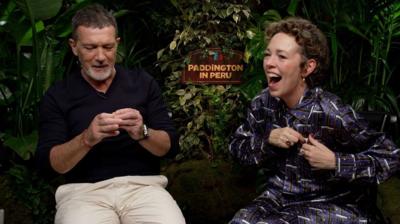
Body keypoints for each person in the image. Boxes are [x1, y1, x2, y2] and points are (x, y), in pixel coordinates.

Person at [229, 17, 400, 223]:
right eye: (268, 55)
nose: (269, 63)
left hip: (332, 203)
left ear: (307, 68)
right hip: (277, 199)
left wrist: (335, 162)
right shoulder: (262, 103)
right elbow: (237, 148)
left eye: (281, 56)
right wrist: (267, 139)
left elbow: (391, 157)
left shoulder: (331, 111)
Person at [35, 4, 185, 224]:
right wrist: (86, 139)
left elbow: (170, 147)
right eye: (90, 47)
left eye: (107, 47)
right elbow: (50, 164)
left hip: (143, 188)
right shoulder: (58, 95)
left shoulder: (142, 83)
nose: (101, 57)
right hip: (83, 193)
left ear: (117, 45)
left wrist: (142, 132)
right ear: (74, 47)